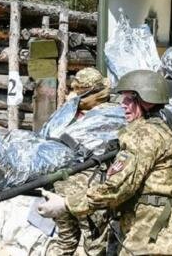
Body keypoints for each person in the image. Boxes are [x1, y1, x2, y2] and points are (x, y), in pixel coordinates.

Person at [38, 70, 172, 256]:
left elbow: (116, 188)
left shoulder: (144, 136)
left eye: (128, 100)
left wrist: (66, 203)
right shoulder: (162, 130)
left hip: (149, 241)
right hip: (160, 236)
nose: (123, 106)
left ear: (146, 101)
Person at [49, 67, 113, 256]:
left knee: (76, 242)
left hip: (77, 188)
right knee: (86, 243)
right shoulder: (70, 113)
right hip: (76, 188)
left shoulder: (105, 114)